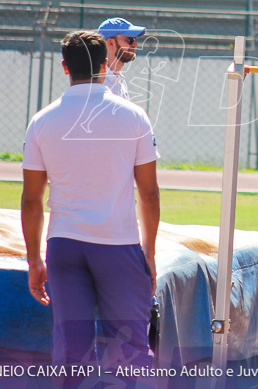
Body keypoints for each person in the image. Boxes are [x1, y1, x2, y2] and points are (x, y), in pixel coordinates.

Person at [21, 30, 161, 369]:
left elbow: (31, 200)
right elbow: (149, 192)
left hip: (65, 245)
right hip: (118, 244)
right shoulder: (134, 116)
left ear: (65, 68)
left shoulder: (41, 121)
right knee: (129, 348)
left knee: (72, 349)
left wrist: (34, 260)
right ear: (103, 66)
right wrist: (150, 252)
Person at [96, 16, 147, 100]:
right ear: (111, 43)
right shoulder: (98, 82)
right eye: (130, 40)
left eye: (135, 39)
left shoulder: (119, 79)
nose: (135, 44)